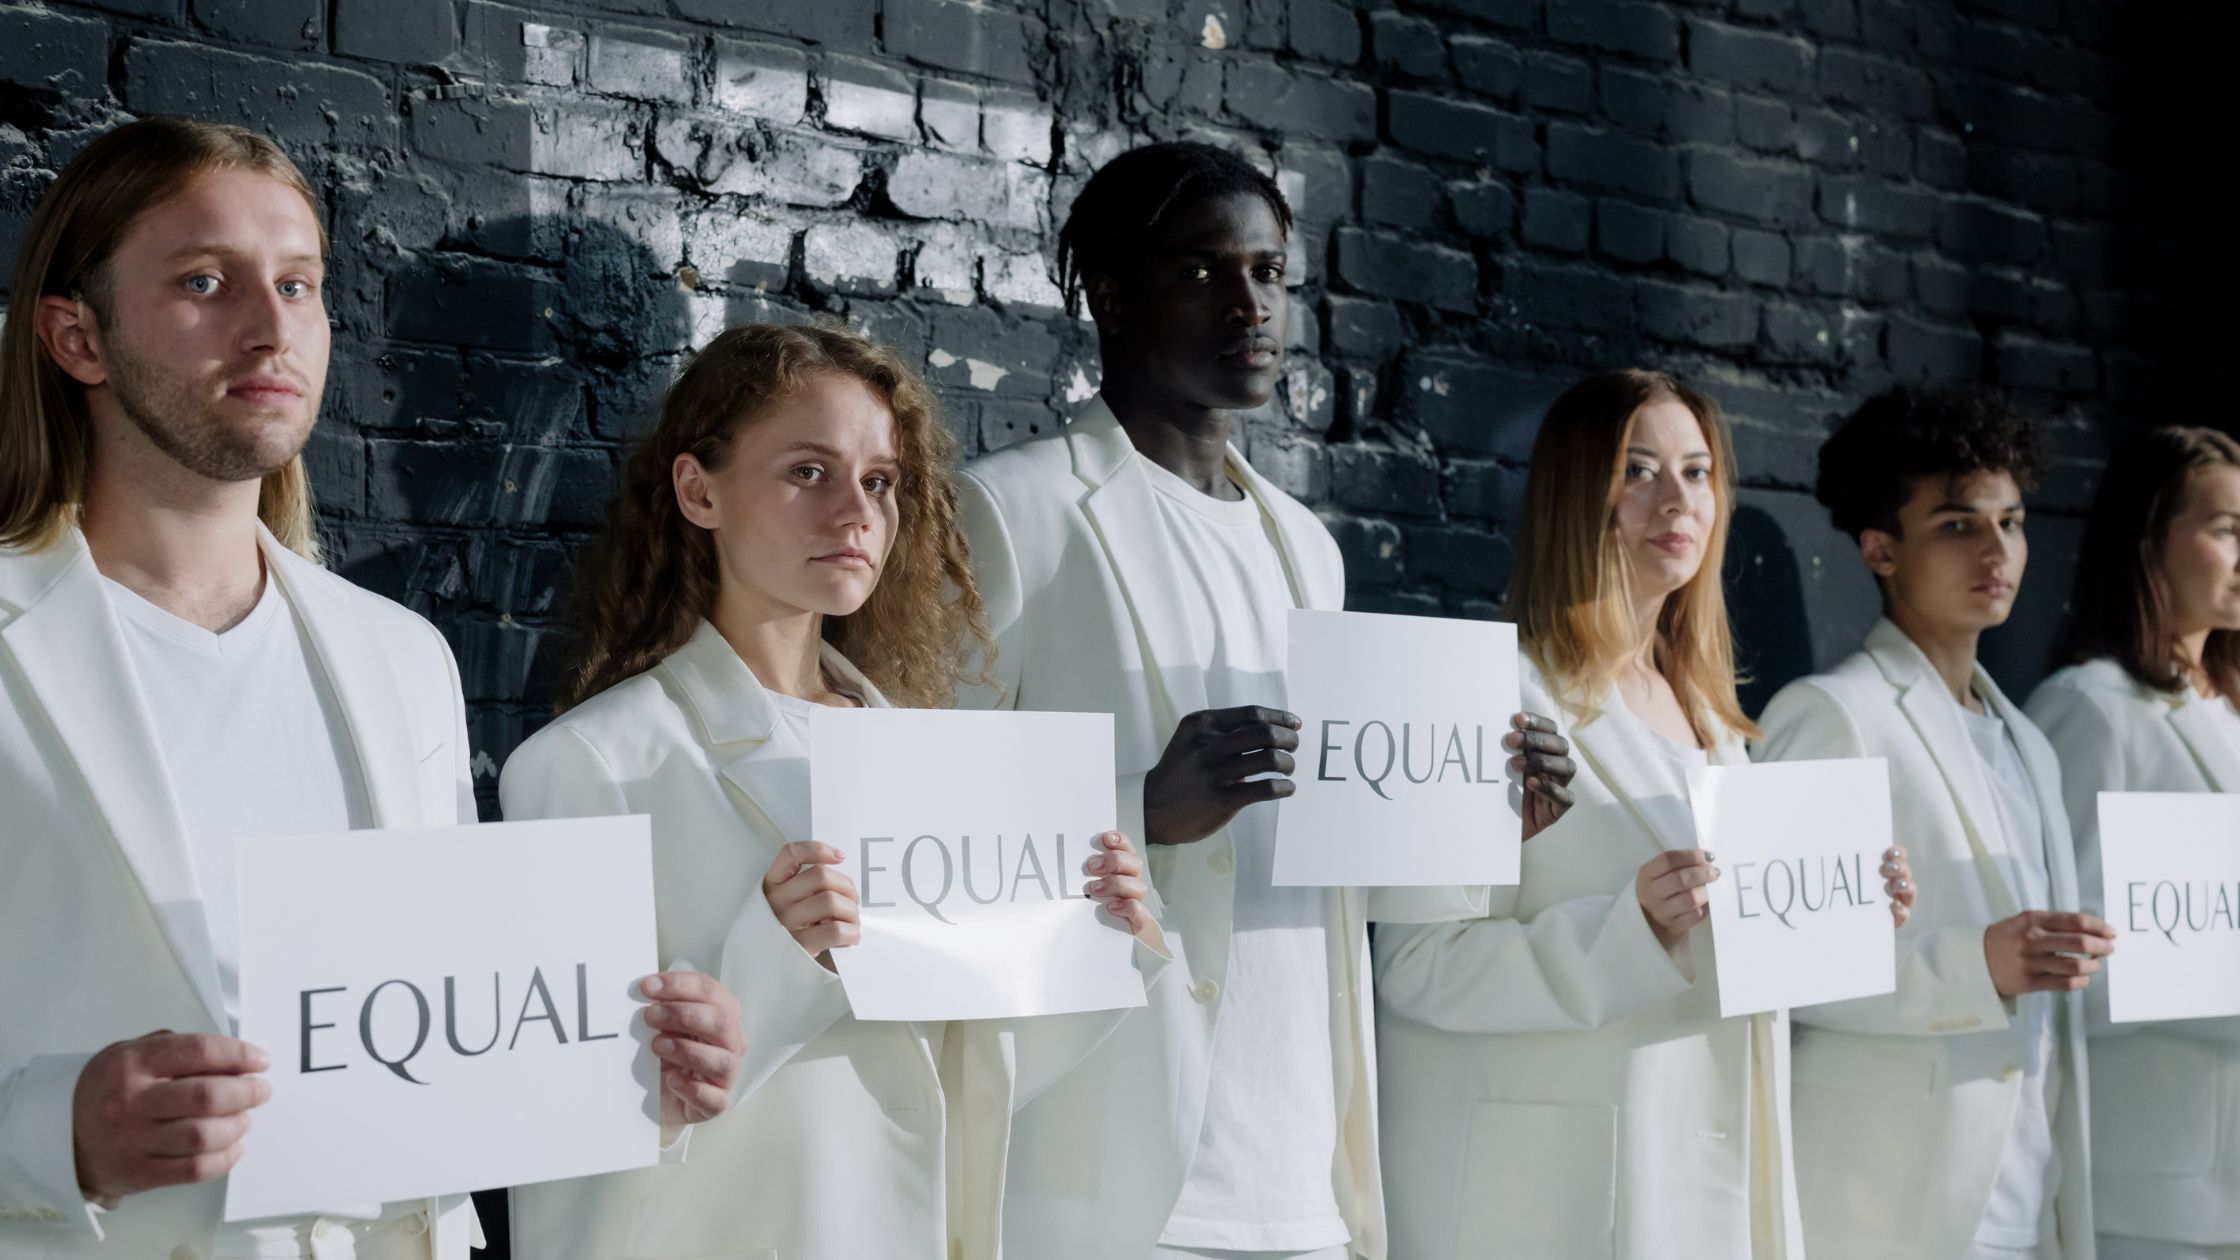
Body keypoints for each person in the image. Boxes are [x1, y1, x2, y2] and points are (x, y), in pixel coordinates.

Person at [0, 118, 741, 1260]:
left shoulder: (400, 658)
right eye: (206, 281)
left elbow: (438, 1038)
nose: (270, 327)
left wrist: (633, 1065)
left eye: (298, 284)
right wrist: (57, 1134)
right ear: (77, 337)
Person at [955, 139, 1576, 1260]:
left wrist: (1482, 821)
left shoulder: (1305, 548)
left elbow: (1339, 855)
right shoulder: (1015, 513)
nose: (1249, 304)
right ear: (1107, 293)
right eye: (1202, 272)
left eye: (1268, 272)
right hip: (1116, 1165)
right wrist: (1136, 806)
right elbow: (908, 823)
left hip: (1301, 1168)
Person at [500, 321, 1167, 1260]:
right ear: (699, 491)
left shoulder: (930, 760)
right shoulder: (589, 766)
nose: (855, 512)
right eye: (808, 472)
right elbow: (556, 1126)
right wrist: (774, 959)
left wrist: (1102, 941)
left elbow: (964, 1074)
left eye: (880, 482)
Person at [1374, 369, 1916, 1259]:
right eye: (1638, 470)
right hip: (1557, 1201)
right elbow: (1418, 965)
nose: (1678, 498)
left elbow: (1730, 962)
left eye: (1698, 472)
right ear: (1576, 495)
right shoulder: (1488, 692)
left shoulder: (1714, 723)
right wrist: (1631, 929)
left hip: (1707, 1184)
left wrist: (1844, 915)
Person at [1756, 385, 2113, 1260]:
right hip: (1891, 1213)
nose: (1997, 549)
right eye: (1958, 524)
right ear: (1881, 548)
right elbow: (1774, 965)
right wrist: (1978, 965)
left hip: (2029, 1201)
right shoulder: (1830, 714)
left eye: (2012, 520)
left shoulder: (2030, 742)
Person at [2026, 425, 2240, 1260]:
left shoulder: (2223, 711)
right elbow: (2061, 963)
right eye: (2226, 528)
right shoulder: (2091, 706)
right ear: (2148, 539)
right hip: (2156, 1191)